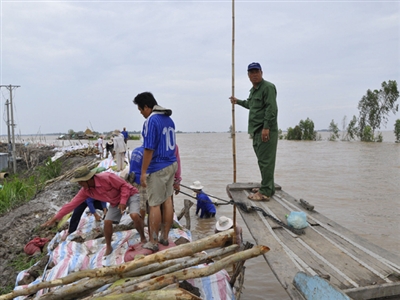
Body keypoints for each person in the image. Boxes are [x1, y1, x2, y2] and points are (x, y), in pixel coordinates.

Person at [41, 166, 146, 256]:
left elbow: (124, 186)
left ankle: (142, 237)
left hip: (131, 195)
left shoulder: (107, 177)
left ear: (88, 179)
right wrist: (55, 218)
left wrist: (123, 201)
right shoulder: (85, 191)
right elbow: (71, 205)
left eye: (81, 182)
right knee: (107, 222)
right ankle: (109, 246)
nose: (79, 184)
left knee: (134, 215)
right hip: (115, 202)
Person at [132, 92, 177, 252]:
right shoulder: (168, 119)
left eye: (140, 109)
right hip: (171, 163)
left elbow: (149, 148)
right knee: (168, 201)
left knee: (154, 204)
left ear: (146, 107)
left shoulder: (151, 120)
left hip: (157, 167)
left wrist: (143, 172)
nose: (141, 113)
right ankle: (165, 236)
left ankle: (152, 240)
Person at [229, 62, 278, 201]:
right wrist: (237, 101)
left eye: (257, 72)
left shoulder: (268, 87)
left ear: (261, 73)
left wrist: (266, 128)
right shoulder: (254, 90)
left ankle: (265, 192)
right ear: (248, 75)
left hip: (265, 130)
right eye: (251, 72)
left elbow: (271, 108)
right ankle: (267, 185)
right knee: (262, 161)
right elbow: (250, 104)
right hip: (256, 131)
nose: (254, 75)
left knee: (266, 161)